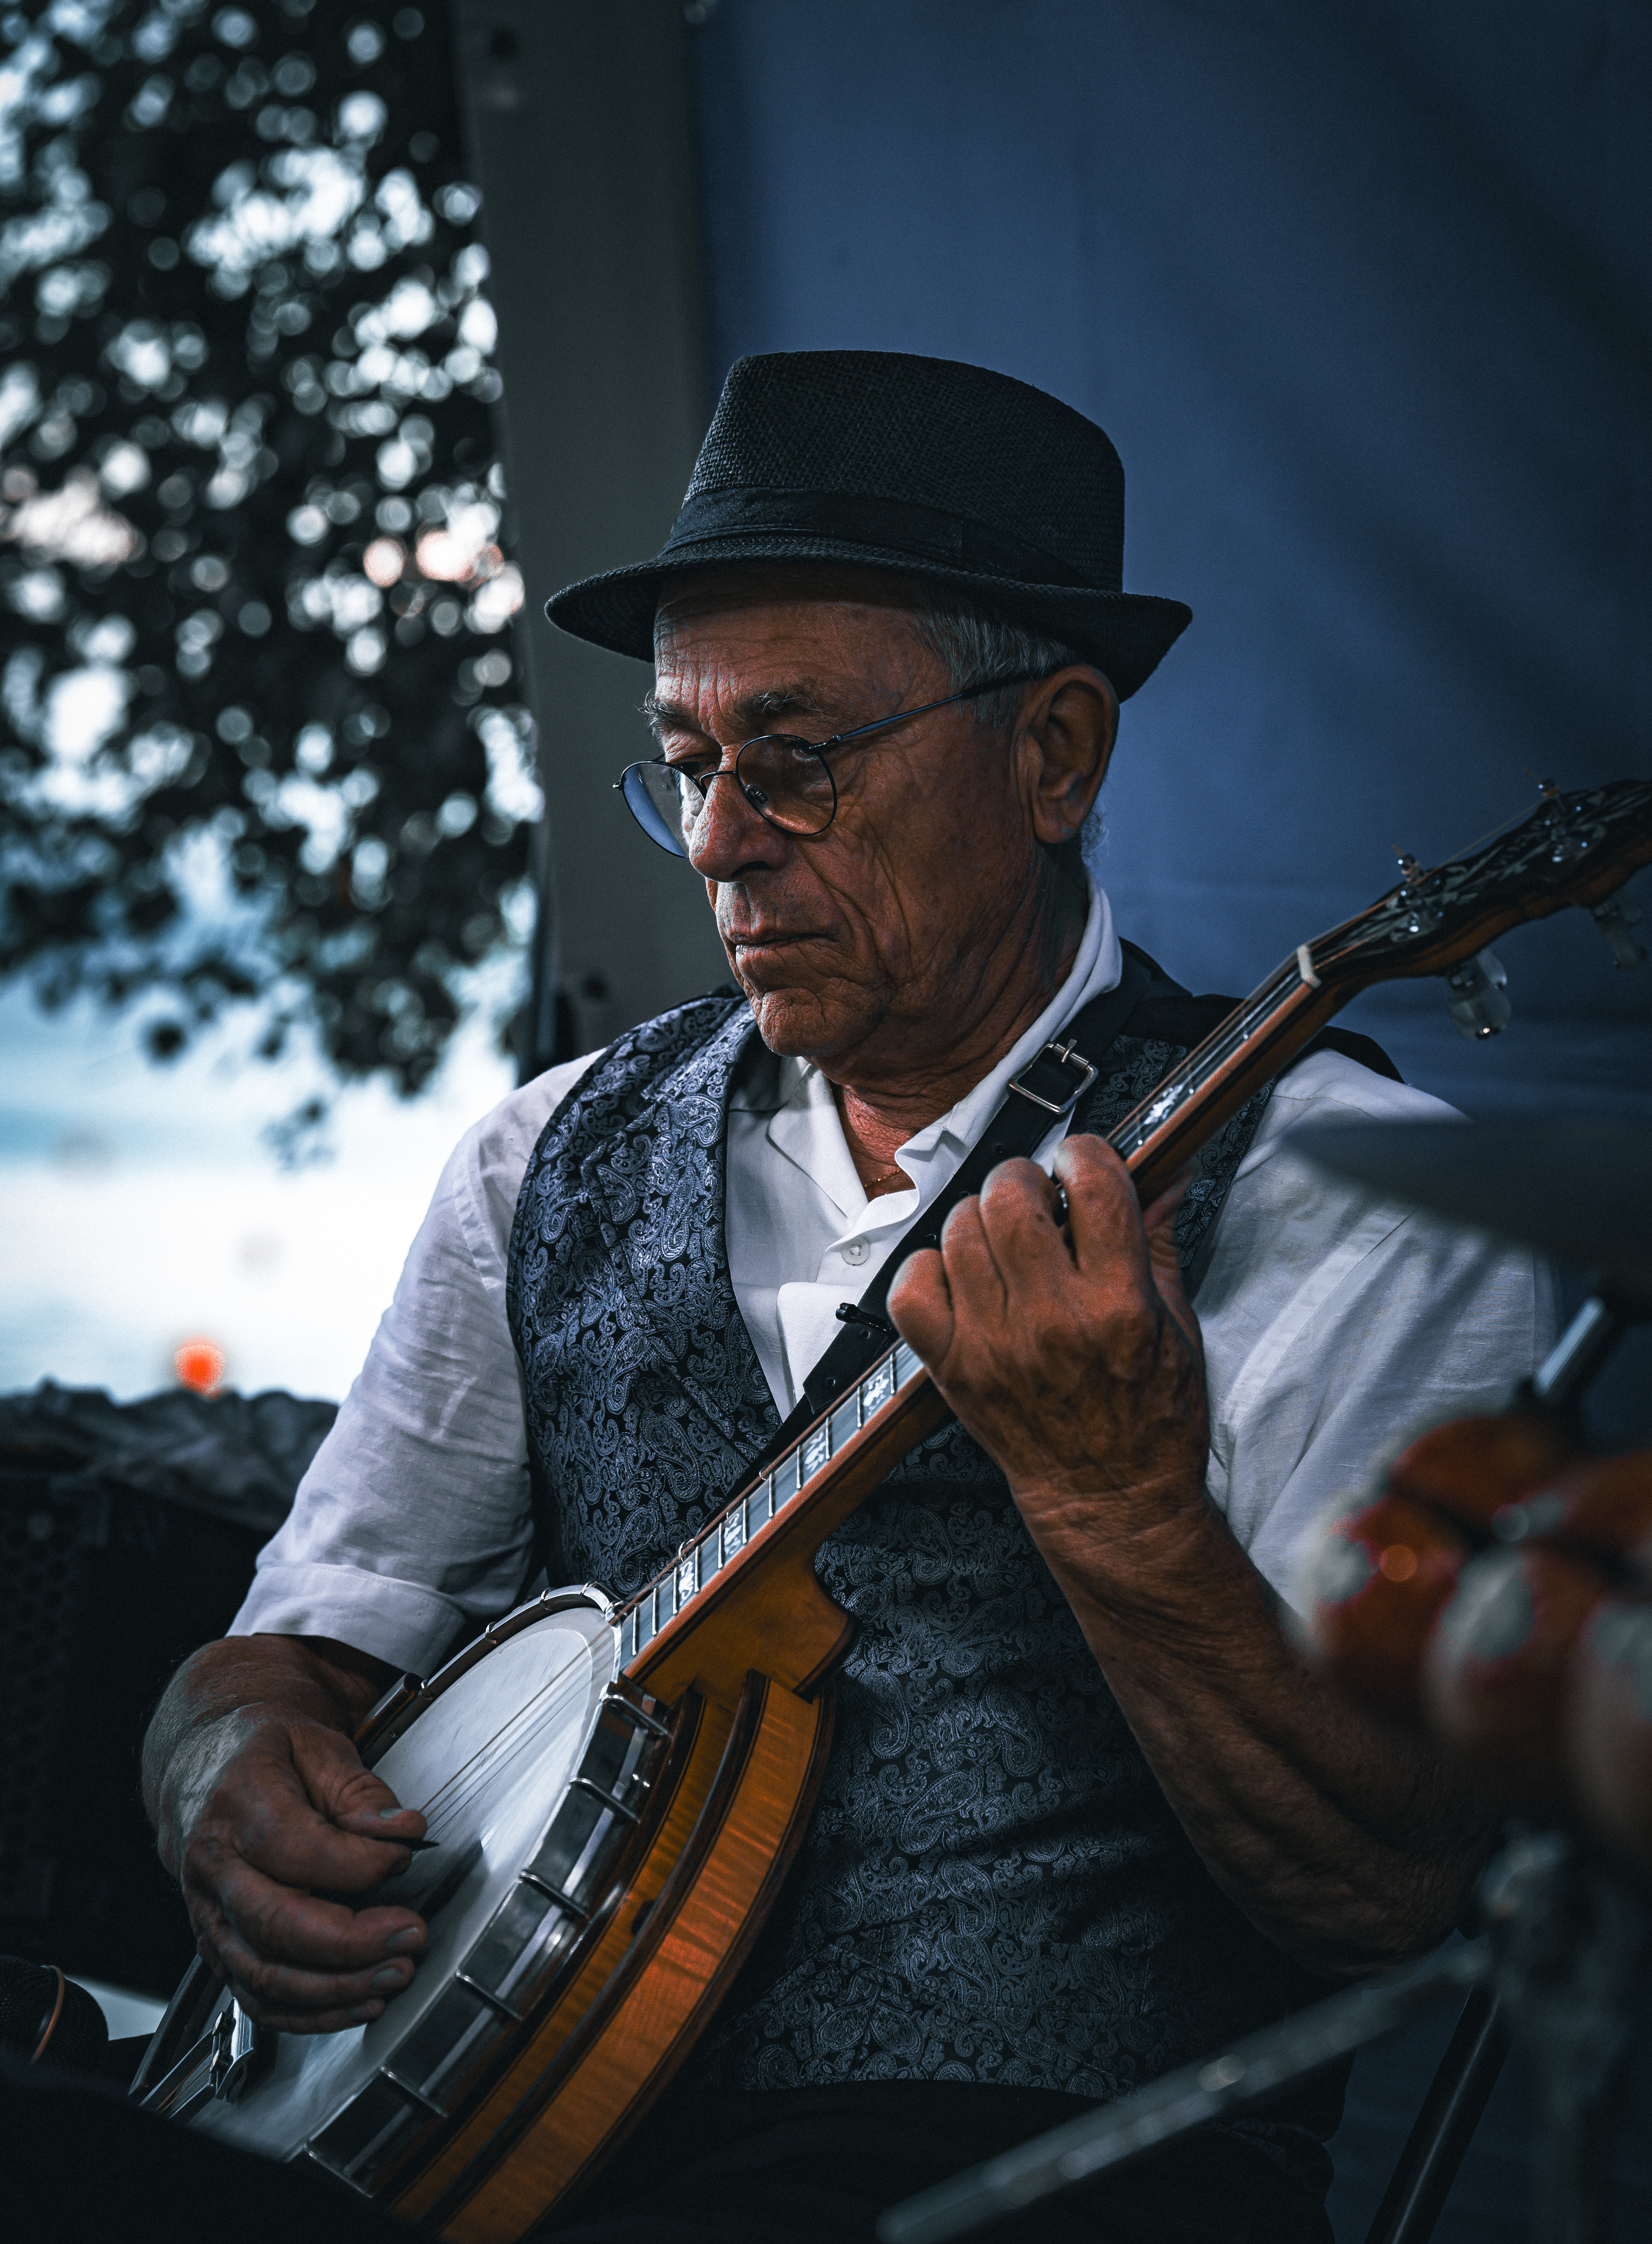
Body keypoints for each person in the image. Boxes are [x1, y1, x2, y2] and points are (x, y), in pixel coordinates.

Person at [141, 352, 1551, 2243]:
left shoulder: (1352, 1195)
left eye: (795, 760)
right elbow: (313, 1634)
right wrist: (219, 1759)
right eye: (690, 768)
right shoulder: (544, 1153)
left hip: (1036, 2190)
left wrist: (1119, 1507)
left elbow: (1379, 1894)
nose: (724, 840)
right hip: (485, 2143)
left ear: (1055, 754)